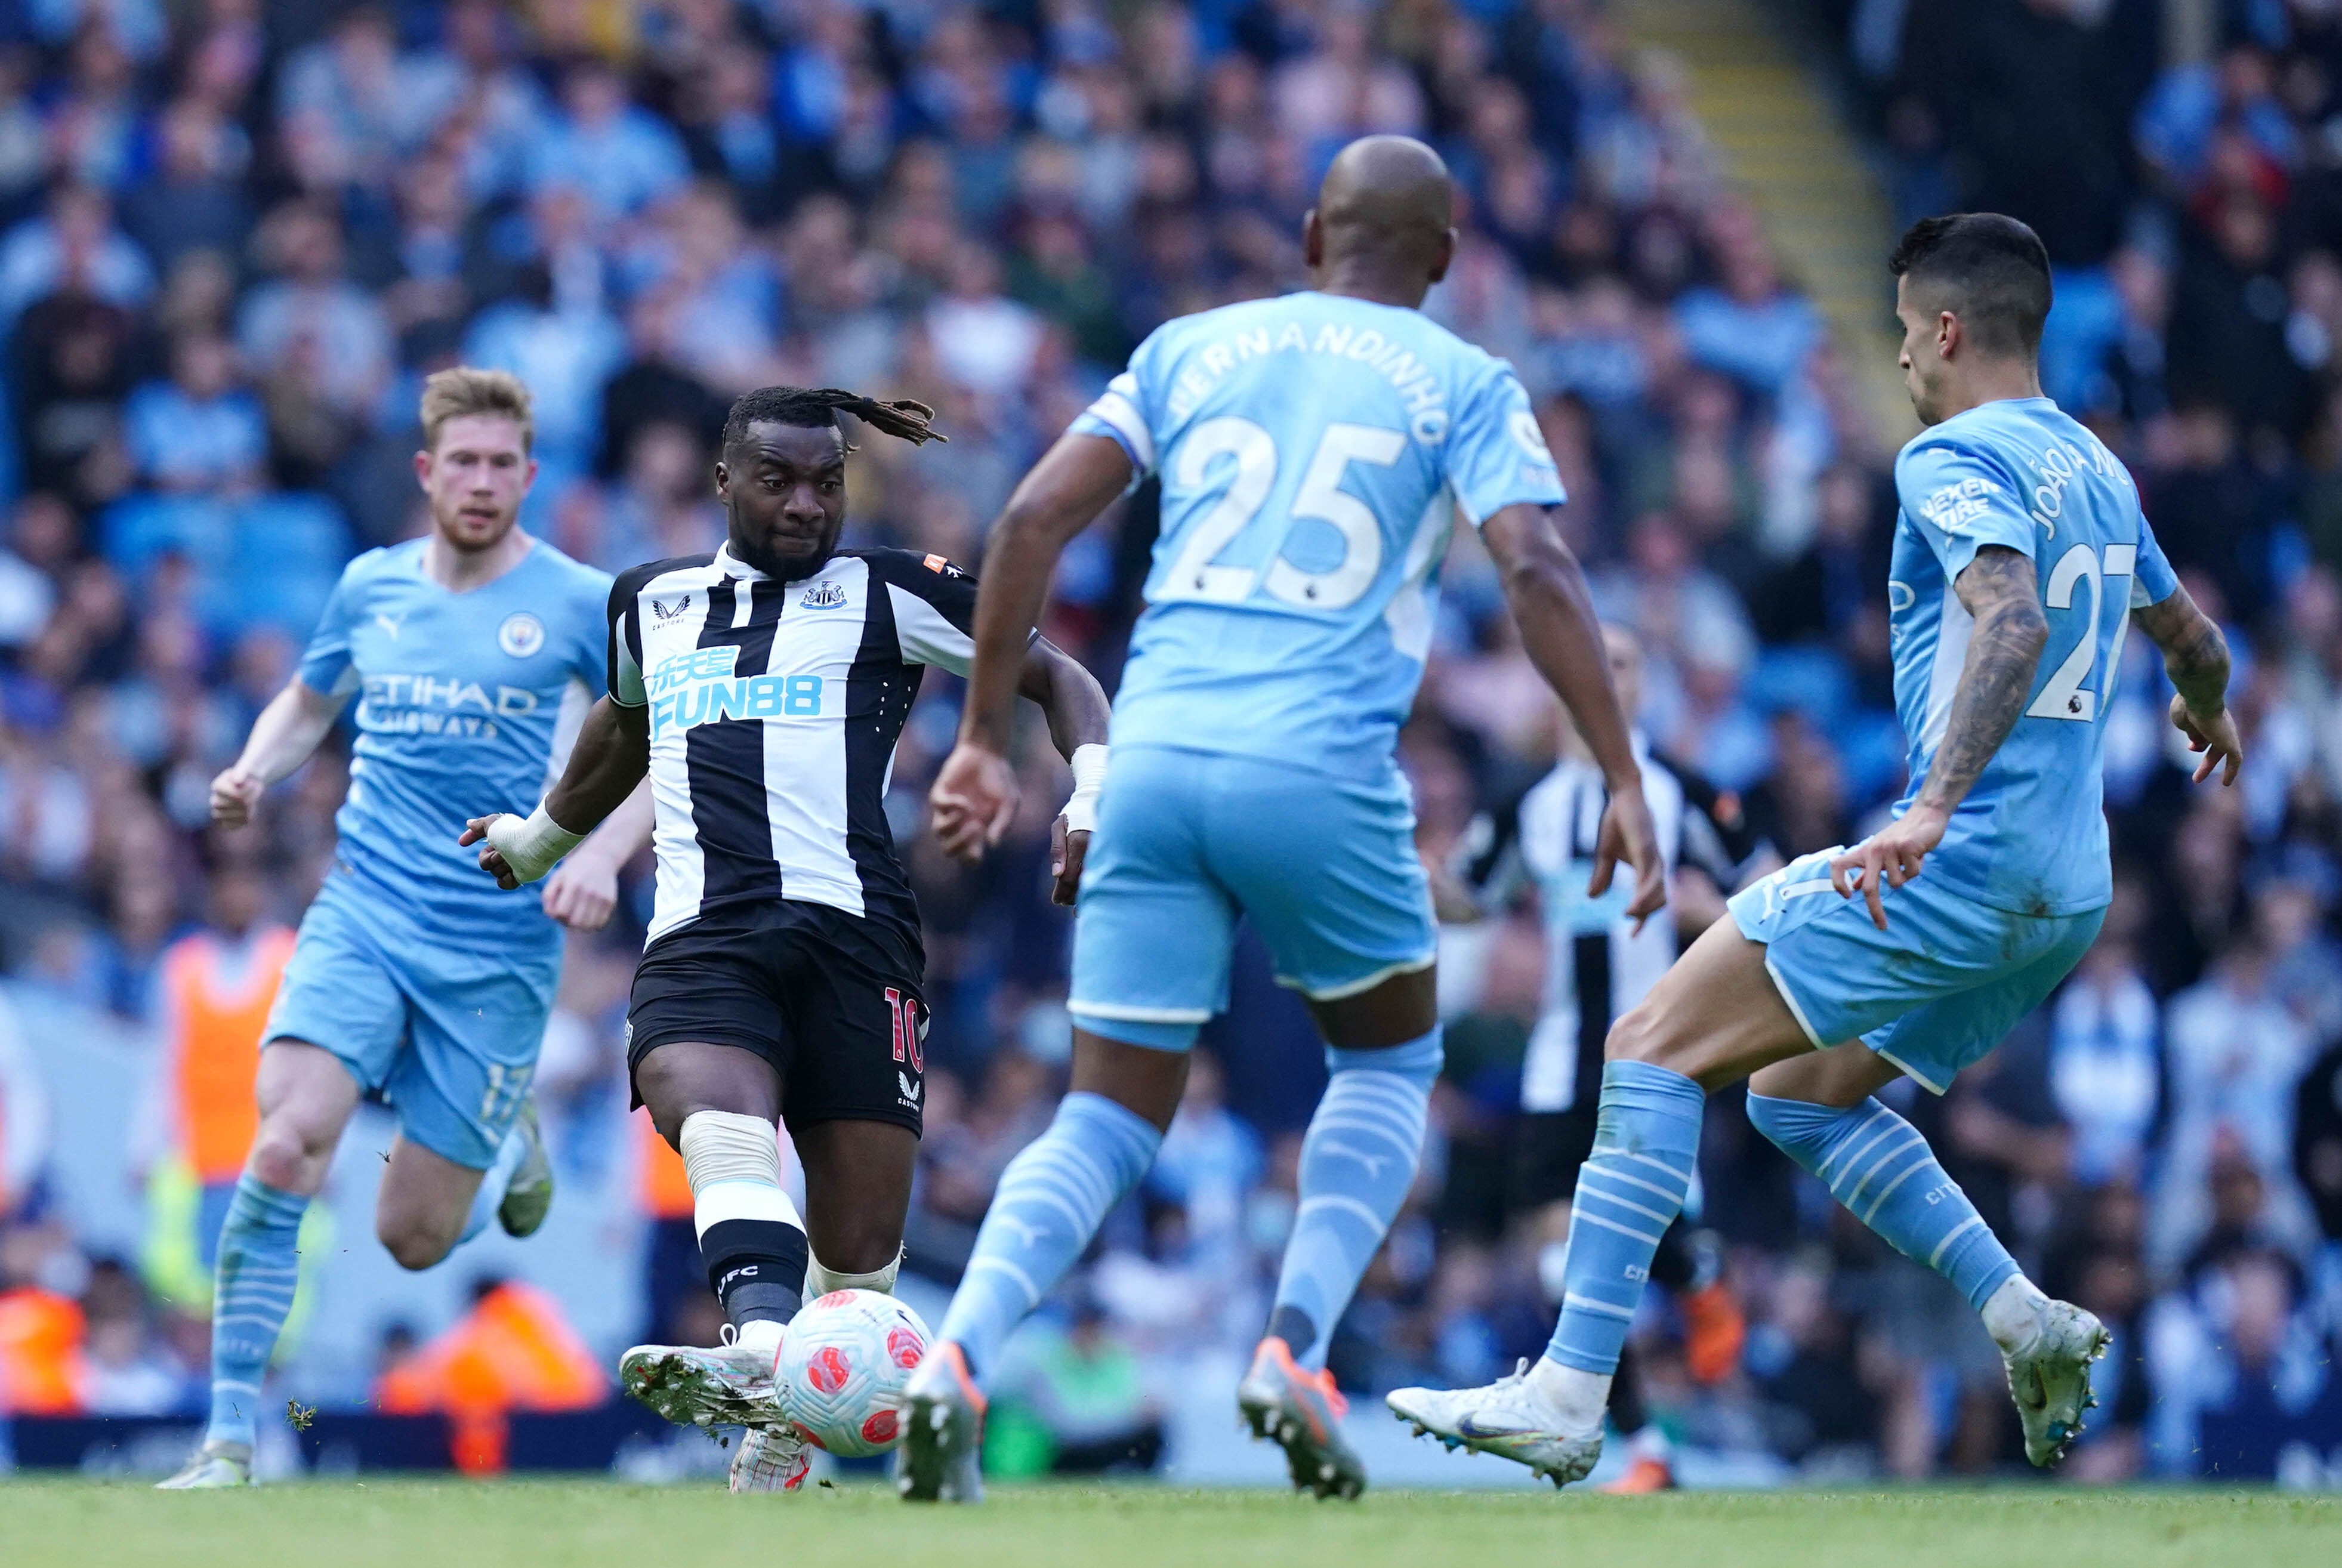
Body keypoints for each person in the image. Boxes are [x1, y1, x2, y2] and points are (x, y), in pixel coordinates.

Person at [1386, 212, 2247, 1486]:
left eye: (1904, 334)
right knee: (1794, 1096)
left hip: (1967, 860)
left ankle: (1570, 1395)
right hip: (2068, 892)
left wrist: (1931, 804)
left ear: (1946, 331)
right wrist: (2211, 708)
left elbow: (2006, 620)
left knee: (1650, 1044)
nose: (1900, 360)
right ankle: (2027, 1319)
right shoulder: (2099, 470)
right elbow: (2192, 638)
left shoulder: (1952, 458)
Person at [894, 134, 1665, 1505]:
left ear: (1311, 234)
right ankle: (1292, 1351)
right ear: (1445, 254)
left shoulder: (1189, 348)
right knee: (1382, 1065)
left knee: (1106, 1112)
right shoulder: (1465, 379)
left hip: (1150, 754)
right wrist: (1614, 768)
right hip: (1316, 765)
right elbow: (1535, 564)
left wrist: (975, 739)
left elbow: (1023, 521)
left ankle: (954, 1356)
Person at [462, 385, 1112, 1493]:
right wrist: (538, 840)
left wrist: (1092, 795)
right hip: (705, 933)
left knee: (859, 1269)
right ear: (725, 483)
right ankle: (762, 1351)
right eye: (779, 481)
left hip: (857, 942)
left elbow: (1060, 679)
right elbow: (621, 727)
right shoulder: (649, 605)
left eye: (827, 482)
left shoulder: (894, 591)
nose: (808, 505)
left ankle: (783, 1425)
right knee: (716, 1118)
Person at [159, 368, 652, 1490]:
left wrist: (601, 859)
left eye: (501, 464)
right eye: (461, 462)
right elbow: (306, 699)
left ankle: (503, 1140)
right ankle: (229, 1439)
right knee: (283, 1143)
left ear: (530, 477)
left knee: (411, 1239)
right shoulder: (371, 587)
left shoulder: (583, 602)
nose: (481, 482)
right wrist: (250, 768)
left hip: (496, 950)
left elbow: (656, 748)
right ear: (428, 473)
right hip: (364, 914)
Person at [1444, 622, 1770, 1492]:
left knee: (1629, 1232)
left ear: (1641, 688)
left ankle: (1698, 1276)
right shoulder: (1529, 805)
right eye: (1586, 658)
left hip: (1659, 1051)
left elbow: (1770, 886)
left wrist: (1713, 916)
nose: (1600, 672)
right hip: (1558, 1061)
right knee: (1563, 1266)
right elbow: (1466, 896)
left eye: (1621, 661)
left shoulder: (1682, 793)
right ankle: (1648, 1445)